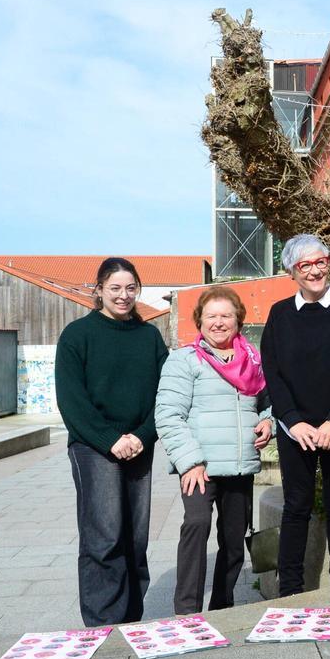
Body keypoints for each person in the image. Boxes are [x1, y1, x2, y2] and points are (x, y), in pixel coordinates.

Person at [56, 257, 169, 626]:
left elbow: (166, 395)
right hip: (94, 447)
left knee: (135, 538)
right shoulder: (77, 335)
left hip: (138, 444)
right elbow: (71, 400)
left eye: (131, 288)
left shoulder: (149, 337)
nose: (124, 295)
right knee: (104, 536)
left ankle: (131, 617)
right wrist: (110, 440)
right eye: (115, 288)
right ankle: (103, 624)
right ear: (100, 290)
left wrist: (142, 435)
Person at [260, 234, 330, 597]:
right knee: (296, 506)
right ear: (292, 272)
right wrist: (293, 421)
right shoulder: (280, 314)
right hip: (297, 430)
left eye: (320, 261)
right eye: (305, 265)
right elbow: (272, 371)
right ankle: (290, 589)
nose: (315, 270)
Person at [156, 286, 273, 614]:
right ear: (200, 321)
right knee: (196, 526)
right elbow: (168, 415)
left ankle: (223, 607)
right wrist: (189, 461)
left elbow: (269, 403)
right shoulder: (184, 360)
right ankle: (187, 612)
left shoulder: (253, 360)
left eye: (226, 316)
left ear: (238, 321)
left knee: (234, 541)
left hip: (239, 464)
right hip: (200, 466)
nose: (218, 322)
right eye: (211, 316)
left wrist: (269, 422)